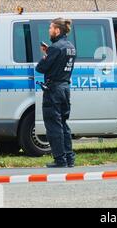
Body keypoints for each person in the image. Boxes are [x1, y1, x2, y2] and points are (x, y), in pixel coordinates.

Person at [36, 18, 77, 168]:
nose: (49, 31)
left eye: (50, 28)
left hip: (53, 90)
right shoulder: (71, 47)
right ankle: (69, 157)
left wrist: (45, 55)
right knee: (64, 124)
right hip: (65, 88)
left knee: (54, 125)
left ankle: (60, 159)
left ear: (57, 30)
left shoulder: (55, 48)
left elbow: (41, 68)